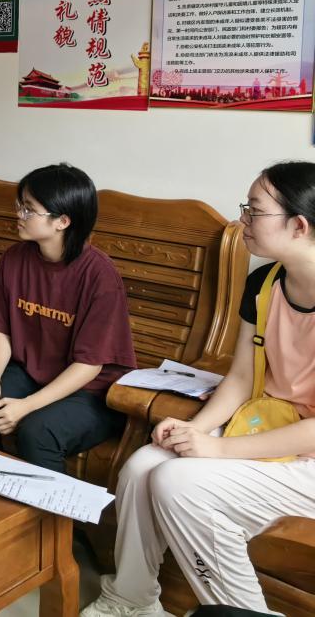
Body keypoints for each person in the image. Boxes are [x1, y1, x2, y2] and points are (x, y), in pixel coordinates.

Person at [82, 162, 315, 617]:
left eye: (255, 211)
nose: (243, 220)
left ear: (299, 226)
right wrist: (195, 429)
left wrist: (218, 449)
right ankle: (131, 598)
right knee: (142, 465)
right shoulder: (264, 283)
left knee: (179, 482)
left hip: (306, 454)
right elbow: (242, 378)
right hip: (265, 424)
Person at [0, 164, 136, 473]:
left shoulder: (99, 275)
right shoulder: (14, 259)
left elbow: (90, 366)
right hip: (32, 373)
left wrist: (25, 406)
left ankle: (51, 507)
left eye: (29, 210)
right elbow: (3, 330)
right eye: (20, 205)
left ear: (62, 221)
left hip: (92, 391)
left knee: (37, 431)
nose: (19, 214)